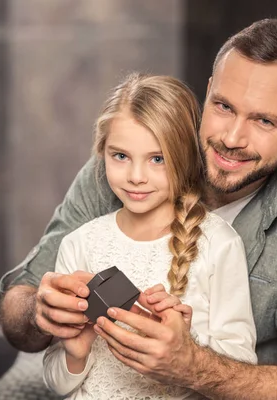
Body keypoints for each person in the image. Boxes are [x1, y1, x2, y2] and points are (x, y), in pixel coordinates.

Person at [0, 18, 277, 400]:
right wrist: (42, 313)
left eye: (264, 121)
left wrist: (189, 364)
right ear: (209, 91)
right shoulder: (125, 161)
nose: (231, 138)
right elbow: (18, 310)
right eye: (223, 106)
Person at [41, 73, 257, 399]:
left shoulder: (219, 245)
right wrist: (75, 352)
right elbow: (57, 384)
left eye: (157, 159)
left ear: (183, 159)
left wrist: (188, 348)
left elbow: (240, 367)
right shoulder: (80, 244)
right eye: (120, 156)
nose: (136, 177)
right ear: (101, 152)